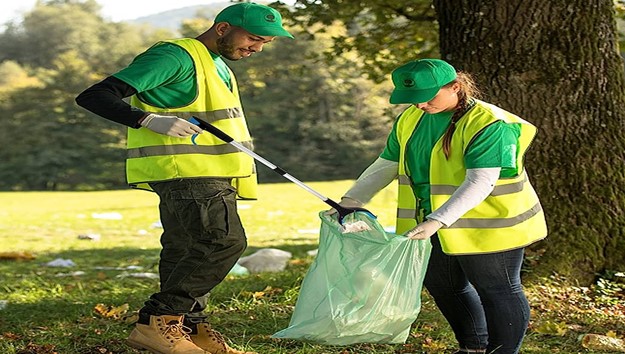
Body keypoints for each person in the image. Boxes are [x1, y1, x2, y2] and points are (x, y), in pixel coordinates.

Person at [75, 3, 293, 354]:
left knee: (186, 249)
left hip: (210, 172)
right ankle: (158, 320)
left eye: (264, 42)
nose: (257, 48)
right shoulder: (176, 56)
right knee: (224, 242)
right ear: (222, 28)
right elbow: (95, 96)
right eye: (253, 38)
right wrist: (147, 120)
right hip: (188, 172)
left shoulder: (218, 64)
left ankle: (190, 327)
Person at [333, 59, 548, 354]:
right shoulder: (411, 119)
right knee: (443, 285)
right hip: (430, 222)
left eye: (428, 96)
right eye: (413, 99)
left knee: (497, 290)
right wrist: (351, 200)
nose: (420, 104)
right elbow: (387, 163)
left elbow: (481, 182)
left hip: (489, 224)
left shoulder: (488, 124)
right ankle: (472, 347)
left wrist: (436, 220)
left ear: (455, 87)